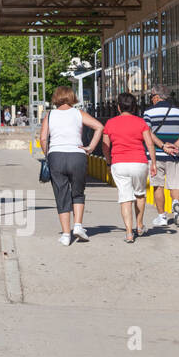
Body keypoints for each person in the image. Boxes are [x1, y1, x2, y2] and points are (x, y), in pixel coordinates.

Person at [38, 85, 105, 245]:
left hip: (56, 156)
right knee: (78, 192)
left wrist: (48, 154)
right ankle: (78, 226)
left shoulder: (50, 115)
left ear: (56, 97)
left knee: (61, 194)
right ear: (71, 97)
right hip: (77, 156)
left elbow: (42, 138)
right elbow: (99, 127)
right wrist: (90, 148)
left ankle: (66, 235)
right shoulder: (78, 113)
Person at [101, 92, 159, 242]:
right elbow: (149, 143)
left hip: (119, 163)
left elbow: (105, 147)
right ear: (134, 107)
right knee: (139, 194)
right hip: (139, 162)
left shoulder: (110, 123)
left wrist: (109, 162)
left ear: (119, 107)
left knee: (125, 198)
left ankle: (128, 232)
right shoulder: (141, 123)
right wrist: (153, 162)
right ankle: (139, 225)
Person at [145, 86, 179, 226]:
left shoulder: (149, 112)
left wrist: (162, 146)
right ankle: (176, 203)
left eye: (152, 97)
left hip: (155, 154)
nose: (151, 100)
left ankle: (162, 217)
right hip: (175, 154)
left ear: (157, 97)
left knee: (157, 185)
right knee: (176, 183)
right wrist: (176, 145)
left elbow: (147, 132)